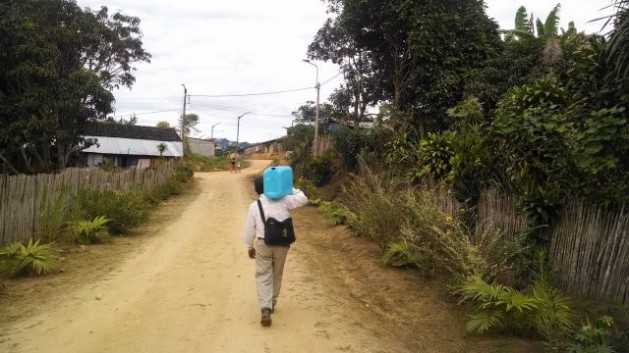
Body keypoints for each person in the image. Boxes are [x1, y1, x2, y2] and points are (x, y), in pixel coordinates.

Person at [243, 176, 308, 326]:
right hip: (282, 245)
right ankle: (272, 303)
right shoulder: (285, 199)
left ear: (257, 190)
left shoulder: (255, 206)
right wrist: (288, 188)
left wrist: (249, 246)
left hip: (262, 244)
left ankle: (265, 308)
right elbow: (303, 198)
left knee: (263, 274)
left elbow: (249, 230)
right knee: (276, 273)